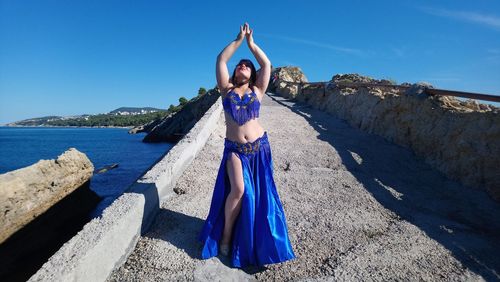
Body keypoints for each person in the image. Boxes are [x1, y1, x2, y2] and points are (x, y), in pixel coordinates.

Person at [198, 23, 296, 268]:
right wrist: (238, 40)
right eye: (239, 64)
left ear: (251, 74)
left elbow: (266, 65)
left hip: (259, 148)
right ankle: (227, 237)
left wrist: (252, 45)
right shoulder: (226, 90)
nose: (242, 65)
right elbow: (221, 59)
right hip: (235, 150)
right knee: (239, 191)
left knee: (262, 195)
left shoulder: (258, 90)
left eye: (247, 65)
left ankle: (257, 243)